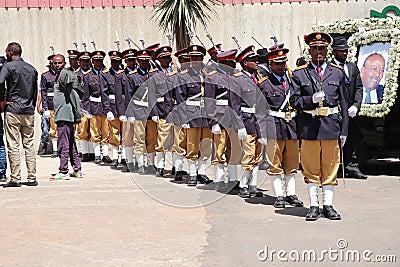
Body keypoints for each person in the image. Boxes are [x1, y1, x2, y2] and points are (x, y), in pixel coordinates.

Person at [290, 32, 349, 221]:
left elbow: (343, 103)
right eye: (315, 48)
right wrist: (310, 100)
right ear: (309, 50)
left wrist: (345, 130)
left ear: (327, 50)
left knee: (331, 168)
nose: (318, 52)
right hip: (310, 127)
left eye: (322, 48)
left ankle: (328, 205)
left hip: (331, 126)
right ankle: (314, 206)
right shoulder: (300, 73)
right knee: (311, 168)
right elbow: (294, 100)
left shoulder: (337, 72)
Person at [258, 45, 304, 208]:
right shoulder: (264, 85)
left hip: (292, 128)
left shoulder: (293, 81)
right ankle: (279, 196)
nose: (281, 66)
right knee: (274, 163)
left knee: (292, 164)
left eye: (283, 63)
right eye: (277, 64)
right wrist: (262, 132)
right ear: (270, 65)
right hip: (274, 128)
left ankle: (291, 194)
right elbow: (260, 111)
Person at [0, 42, 38, 187]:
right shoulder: (31, 68)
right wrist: (31, 106)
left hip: (13, 110)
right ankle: (32, 177)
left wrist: (2, 101)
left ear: (10, 52)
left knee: (13, 145)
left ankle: (15, 178)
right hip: (28, 111)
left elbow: (0, 81)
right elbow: (35, 91)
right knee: (29, 145)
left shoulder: (8, 67)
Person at [204, 49, 242, 192]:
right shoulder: (212, 78)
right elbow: (209, 101)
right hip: (219, 117)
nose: (233, 64)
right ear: (224, 62)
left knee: (233, 150)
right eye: (231, 62)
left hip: (233, 117)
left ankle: (232, 180)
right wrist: (213, 122)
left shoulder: (236, 78)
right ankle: (219, 180)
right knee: (219, 149)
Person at [175, 44, 213, 186]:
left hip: (207, 114)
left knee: (206, 145)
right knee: (192, 145)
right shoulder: (184, 76)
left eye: (198, 57)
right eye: (193, 57)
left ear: (203, 58)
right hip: (192, 114)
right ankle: (192, 174)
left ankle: (201, 172)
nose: (195, 60)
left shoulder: (209, 74)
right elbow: (180, 98)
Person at [229, 45, 264, 198]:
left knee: (258, 155)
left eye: (256, 59)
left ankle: (253, 184)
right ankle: (243, 184)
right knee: (248, 154)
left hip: (260, 121)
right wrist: (239, 126)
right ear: (244, 63)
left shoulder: (260, 77)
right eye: (252, 60)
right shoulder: (237, 80)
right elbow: (234, 105)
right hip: (247, 121)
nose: (256, 62)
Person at [332, 36, 367, 179]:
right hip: (336, 110)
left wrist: (356, 105)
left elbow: (359, 87)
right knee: (335, 140)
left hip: (350, 110)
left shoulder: (352, 67)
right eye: (341, 51)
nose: (344, 53)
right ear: (334, 52)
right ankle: (335, 168)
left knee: (351, 139)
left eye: (346, 50)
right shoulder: (330, 68)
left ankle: (351, 167)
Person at [126, 49, 159, 174]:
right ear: (138, 62)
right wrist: (130, 114)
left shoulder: (154, 75)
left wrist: (155, 113)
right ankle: (140, 165)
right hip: (139, 111)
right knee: (139, 139)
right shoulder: (132, 76)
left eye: (146, 61)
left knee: (151, 139)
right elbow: (129, 96)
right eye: (141, 61)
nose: (144, 63)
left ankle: (150, 164)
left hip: (151, 113)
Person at [52, 54, 83, 179]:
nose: (57, 65)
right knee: (70, 143)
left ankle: (63, 171)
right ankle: (77, 169)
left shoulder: (65, 74)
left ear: (64, 63)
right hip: (63, 114)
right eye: (55, 63)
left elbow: (72, 94)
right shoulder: (60, 75)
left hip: (65, 115)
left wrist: (77, 112)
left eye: (60, 63)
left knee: (63, 144)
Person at [148, 46, 174, 177]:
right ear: (158, 59)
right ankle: (161, 166)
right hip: (162, 111)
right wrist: (154, 113)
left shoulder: (175, 72)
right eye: (163, 58)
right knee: (162, 140)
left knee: (176, 140)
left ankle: (177, 167)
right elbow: (151, 95)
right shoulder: (154, 75)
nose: (166, 60)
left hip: (175, 112)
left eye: (168, 57)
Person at [82, 50, 112, 164]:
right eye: (96, 61)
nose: (98, 63)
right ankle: (97, 155)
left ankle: (105, 154)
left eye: (100, 61)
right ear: (92, 62)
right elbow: (85, 95)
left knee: (106, 131)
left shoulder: (106, 74)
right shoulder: (88, 76)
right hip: (94, 106)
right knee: (95, 131)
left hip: (105, 106)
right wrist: (87, 110)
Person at [40, 54, 58, 158]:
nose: (54, 66)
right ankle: (54, 150)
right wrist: (45, 107)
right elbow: (43, 92)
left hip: (60, 105)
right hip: (50, 105)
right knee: (50, 129)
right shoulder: (45, 76)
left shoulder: (62, 74)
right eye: (52, 64)